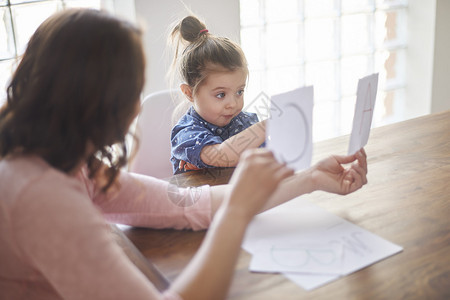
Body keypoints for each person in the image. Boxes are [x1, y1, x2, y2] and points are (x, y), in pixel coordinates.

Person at [0, 8, 368, 300]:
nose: (137, 108)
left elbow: (187, 204)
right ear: (97, 100)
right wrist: (237, 214)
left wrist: (312, 179)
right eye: (134, 90)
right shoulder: (41, 196)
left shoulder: (65, 160)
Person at [169, 15, 266, 174]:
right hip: (202, 198)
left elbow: (262, 162)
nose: (233, 104)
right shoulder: (186, 132)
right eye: (221, 95)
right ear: (189, 93)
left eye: (239, 92)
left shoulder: (245, 122)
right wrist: (266, 127)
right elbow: (221, 156)